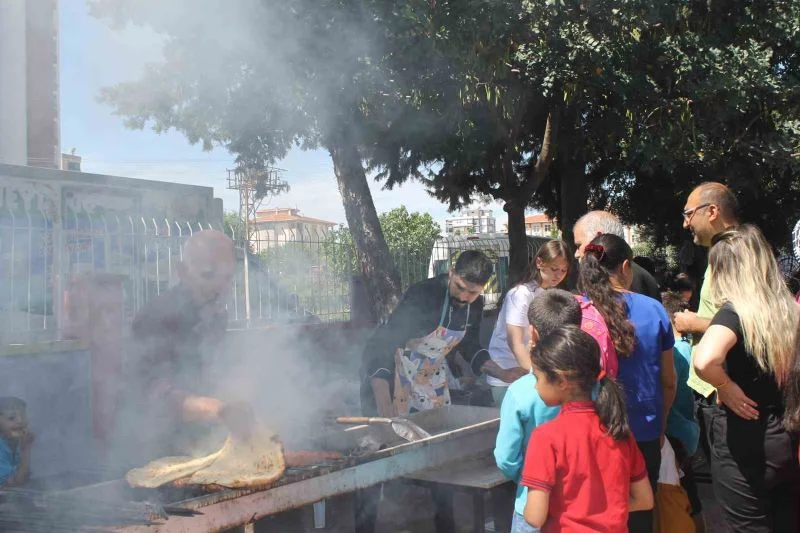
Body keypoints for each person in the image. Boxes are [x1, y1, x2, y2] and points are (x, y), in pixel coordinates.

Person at [357, 250, 493, 533]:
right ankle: (364, 527)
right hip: (388, 376)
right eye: (460, 288)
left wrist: (501, 372)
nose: (465, 297)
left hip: (429, 381)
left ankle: (446, 527)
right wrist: (384, 406)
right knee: (375, 460)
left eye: (473, 293)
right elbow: (382, 345)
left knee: (437, 455)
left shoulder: (474, 305)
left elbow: (468, 345)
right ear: (451, 272)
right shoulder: (424, 294)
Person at [113, 230, 253, 469]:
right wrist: (219, 409)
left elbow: (212, 372)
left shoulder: (216, 313)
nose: (221, 287)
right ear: (182, 272)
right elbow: (156, 395)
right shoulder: (156, 317)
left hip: (199, 445)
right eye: (209, 275)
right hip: (155, 452)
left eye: (228, 278)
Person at [693, 225, 800, 532]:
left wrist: (724, 386)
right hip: (786, 434)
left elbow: (705, 358)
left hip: (744, 440)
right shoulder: (789, 310)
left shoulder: (735, 312)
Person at [579, 233, 676, 533]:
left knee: (597, 512)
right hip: (644, 430)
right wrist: (661, 426)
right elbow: (668, 381)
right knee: (640, 514)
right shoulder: (654, 309)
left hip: (595, 431)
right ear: (625, 266)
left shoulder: (579, 312)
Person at [520, 326, 654, 532]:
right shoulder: (619, 432)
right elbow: (645, 500)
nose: (536, 386)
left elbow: (535, 516)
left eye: (538, 378)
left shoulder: (546, 437)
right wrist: (605, 511)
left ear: (562, 381)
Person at [493, 289, 582, 533]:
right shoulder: (595, 387)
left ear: (533, 333)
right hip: (583, 506)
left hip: (531, 506)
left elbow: (506, 458)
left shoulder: (520, 392)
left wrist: (525, 478)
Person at [672, 182, 739, 398]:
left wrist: (694, 324)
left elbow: (751, 322)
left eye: (689, 214)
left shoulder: (734, 254)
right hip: (713, 386)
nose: (685, 224)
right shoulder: (719, 253)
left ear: (712, 211)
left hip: (722, 389)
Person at [484, 240, 571, 406]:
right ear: (539, 262)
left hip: (530, 374)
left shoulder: (545, 293)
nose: (558, 274)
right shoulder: (521, 294)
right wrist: (538, 376)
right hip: (508, 375)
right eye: (554, 269)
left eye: (563, 270)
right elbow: (515, 342)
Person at [661, 291, 704, 532]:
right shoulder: (690, 348)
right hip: (689, 430)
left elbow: (669, 387)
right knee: (693, 496)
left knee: (678, 495)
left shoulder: (672, 355)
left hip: (673, 432)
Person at [573, 211, 661, 302]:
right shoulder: (604, 274)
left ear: (598, 237)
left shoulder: (628, 278)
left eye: (579, 245)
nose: (576, 254)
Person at [0, 397, 33, 487]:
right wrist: (26, 450)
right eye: (11, 418)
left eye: (23, 416)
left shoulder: (14, 442)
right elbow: (16, 483)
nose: (20, 421)